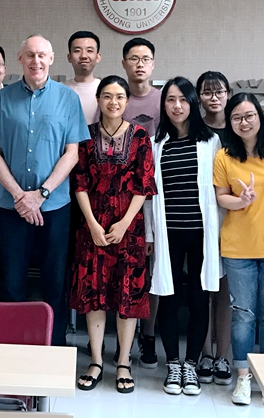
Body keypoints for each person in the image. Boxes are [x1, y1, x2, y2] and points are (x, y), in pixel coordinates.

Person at [0, 35, 89, 346]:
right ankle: (14, 346)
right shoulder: (3, 99)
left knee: (55, 280)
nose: (36, 61)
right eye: (30, 55)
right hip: (11, 208)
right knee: (11, 281)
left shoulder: (68, 99)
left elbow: (72, 154)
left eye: (41, 55)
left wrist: (41, 194)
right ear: (20, 59)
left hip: (54, 207)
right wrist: (20, 196)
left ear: (51, 59)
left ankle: (54, 346)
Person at [71, 76, 156, 394]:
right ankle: (95, 360)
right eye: (107, 96)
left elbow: (144, 185)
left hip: (128, 228)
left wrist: (123, 224)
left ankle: (122, 362)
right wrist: (92, 224)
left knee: (127, 295)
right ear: (98, 99)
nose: (113, 102)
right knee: (94, 293)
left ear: (127, 101)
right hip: (91, 225)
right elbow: (79, 183)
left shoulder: (140, 136)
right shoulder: (85, 136)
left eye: (119, 96)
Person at [213, 93, 264, 406]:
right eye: (236, 117)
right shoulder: (224, 156)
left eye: (249, 116)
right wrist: (241, 200)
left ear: (260, 117)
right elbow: (221, 197)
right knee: (243, 316)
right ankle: (244, 377)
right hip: (238, 248)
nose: (243, 122)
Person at [144, 77, 222, 397]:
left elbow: (218, 190)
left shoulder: (211, 142)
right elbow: (149, 194)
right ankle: (173, 365)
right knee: (168, 296)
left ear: (193, 103)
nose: (177, 106)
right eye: (170, 100)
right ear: (163, 105)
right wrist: (149, 233)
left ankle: (191, 363)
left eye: (183, 99)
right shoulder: (155, 144)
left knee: (200, 298)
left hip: (202, 232)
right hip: (169, 232)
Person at [120, 36, 162, 368]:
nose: (139, 64)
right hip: (120, 199)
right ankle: (123, 337)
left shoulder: (164, 100)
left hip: (157, 197)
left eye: (145, 59)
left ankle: (148, 335)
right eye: (133, 58)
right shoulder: (115, 97)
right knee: (124, 271)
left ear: (153, 64)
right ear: (124, 63)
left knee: (153, 272)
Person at [194, 70, 233, 386]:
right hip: (200, 218)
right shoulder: (194, 128)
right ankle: (205, 353)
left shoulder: (238, 127)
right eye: (207, 92)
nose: (214, 97)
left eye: (219, 91)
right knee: (204, 287)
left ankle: (225, 355)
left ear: (228, 94)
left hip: (234, 218)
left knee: (226, 291)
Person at [65, 30, 102, 124]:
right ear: (69, 57)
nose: (83, 56)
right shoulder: (59, 90)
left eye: (89, 51)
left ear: (98, 57)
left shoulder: (106, 89)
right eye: (77, 51)